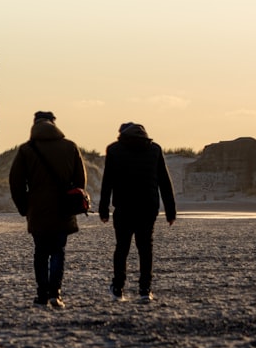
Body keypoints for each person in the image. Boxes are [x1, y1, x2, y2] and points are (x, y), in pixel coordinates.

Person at [9, 111, 87, 308]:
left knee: (41, 252)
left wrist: (23, 207)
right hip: (63, 208)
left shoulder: (27, 150)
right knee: (58, 251)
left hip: (38, 209)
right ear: (54, 124)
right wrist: (74, 201)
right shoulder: (70, 147)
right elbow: (80, 181)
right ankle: (55, 293)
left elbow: (15, 182)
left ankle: (42, 294)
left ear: (34, 124)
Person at [98, 122, 176, 302]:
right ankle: (144, 289)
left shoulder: (114, 150)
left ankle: (118, 289)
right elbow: (164, 181)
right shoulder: (154, 149)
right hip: (148, 207)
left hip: (124, 206)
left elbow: (107, 182)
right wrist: (170, 211)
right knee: (145, 248)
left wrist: (104, 209)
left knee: (122, 248)